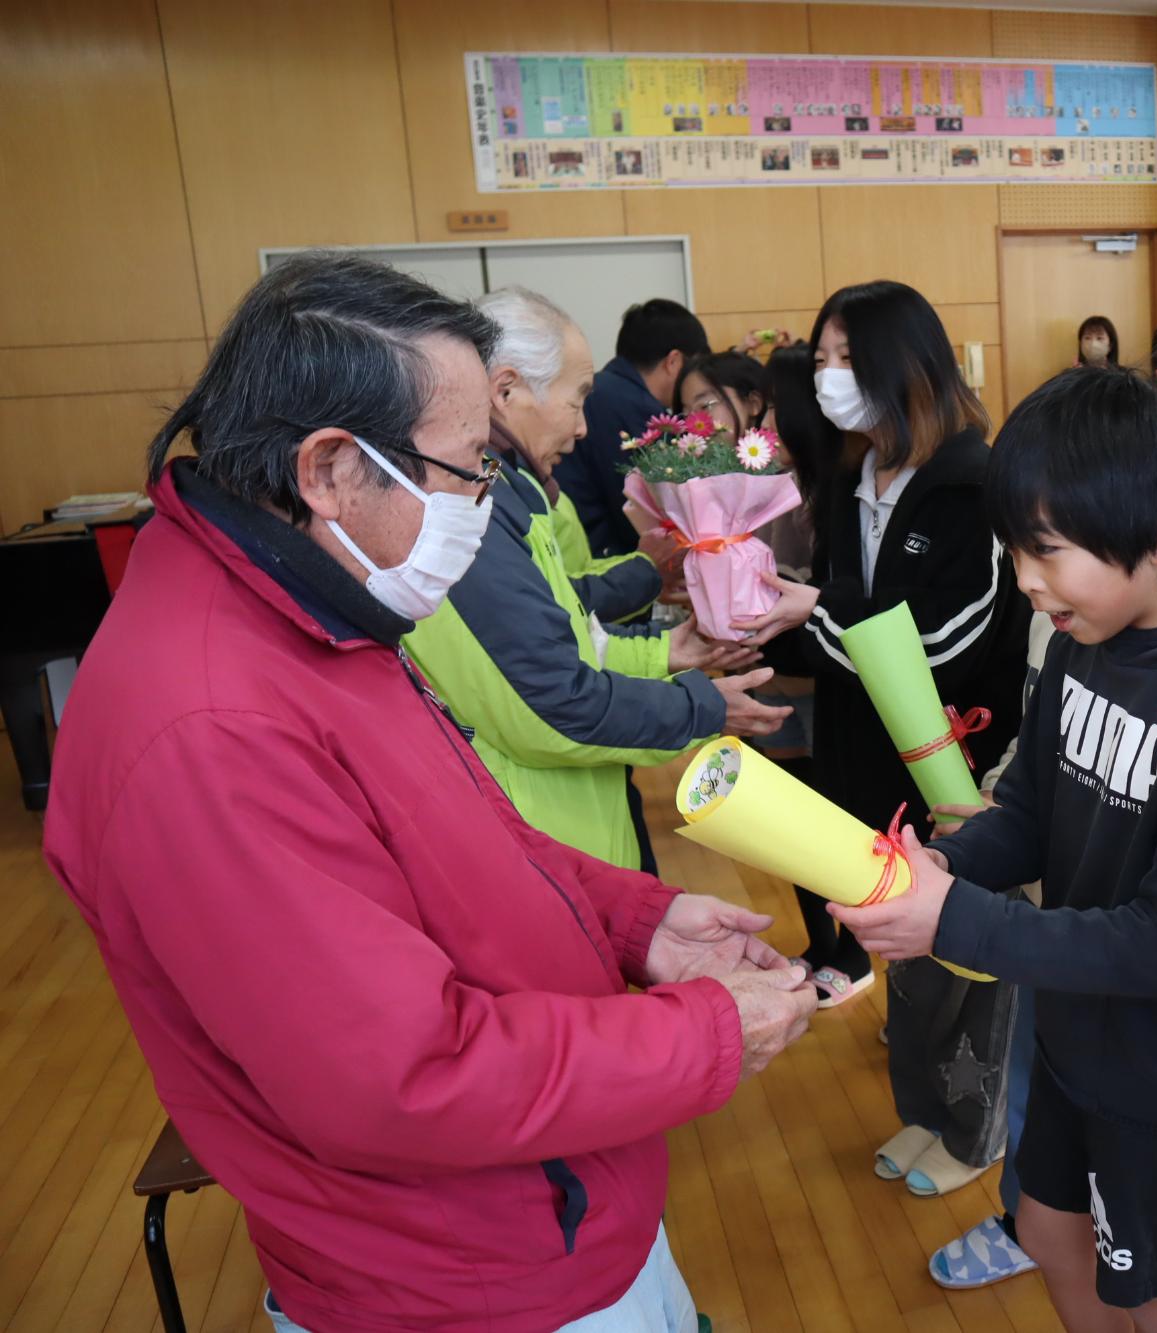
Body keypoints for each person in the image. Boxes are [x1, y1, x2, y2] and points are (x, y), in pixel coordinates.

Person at [41, 253, 818, 1333]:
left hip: (547, 1210)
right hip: (467, 1277)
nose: (482, 502)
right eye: (464, 471)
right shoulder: (209, 727)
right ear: (329, 468)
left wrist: (643, 921)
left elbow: (474, 839)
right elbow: (403, 1077)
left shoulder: (314, 600)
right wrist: (706, 1031)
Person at [831, 366, 1157, 1330]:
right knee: (1044, 1227)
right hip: (1078, 1030)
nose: (1026, 580)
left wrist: (949, 915)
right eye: (1015, 549)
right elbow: (1032, 810)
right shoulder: (1082, 636)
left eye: (1046, 550)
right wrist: (949, 868)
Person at [738, 279, 1031, 1196]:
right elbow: (845, 620)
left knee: (965, 960)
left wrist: (809, 610)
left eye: (844, 360)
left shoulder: (971, 482)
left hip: (959, 762)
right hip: (869, 755)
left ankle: (974, 1126)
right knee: (900, 952)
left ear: (905, 365)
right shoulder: (856, 475)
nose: (827, 379)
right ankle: (925, 1109)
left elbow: (942, 643)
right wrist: (753, 616)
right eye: (820, 360)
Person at [403, 288, 787, 871]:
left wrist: (665, 651)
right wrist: (699, 707)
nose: (584, 428)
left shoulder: (506, 491)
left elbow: (562, 631)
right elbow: (552, 703)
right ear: (506, 391)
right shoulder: (472, 505)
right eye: (577, 400)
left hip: (568, 820)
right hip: (542, 838)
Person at [555, 298, 710, 558]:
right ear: (674, 361)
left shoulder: (601, 388)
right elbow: (641, 511)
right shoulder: (642, 414)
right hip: (601, 556)